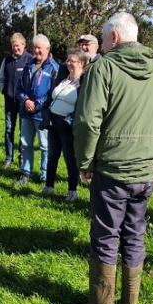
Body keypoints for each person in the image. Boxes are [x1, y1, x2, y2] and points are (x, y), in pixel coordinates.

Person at [72, 11, 153, 304]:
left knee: (106, 235)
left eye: (104, 38)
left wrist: (85, 161)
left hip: (112, 170)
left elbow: (87, 121)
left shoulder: (103, 68)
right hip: (147, 172)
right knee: (134, 234)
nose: (103, 43)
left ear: (114, 36)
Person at [42, 48, 88, 202]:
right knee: (52, 156)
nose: (69, 63)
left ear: (81, 63)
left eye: (72, 61)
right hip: (53, 123)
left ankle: (72, 191)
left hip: (68, 127)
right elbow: (50, 95)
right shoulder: (62, 78)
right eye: (68, 60)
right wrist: (47, 112)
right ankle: (48, 186)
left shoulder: (84, 82)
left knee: (70, 159)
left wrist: (70, 120)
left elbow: (83, 105)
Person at [15, 34, 59, 186]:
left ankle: (45, 175)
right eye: (35, 47)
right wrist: (25, 100)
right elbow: (19, 87)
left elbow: (54, 92)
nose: (36, 51)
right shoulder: (28, 66)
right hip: (26, 113)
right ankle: (26, 172)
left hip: (43, 115)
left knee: (45, 146)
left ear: (47, 49)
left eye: (39, 48)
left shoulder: (54, 68)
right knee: (25, 143)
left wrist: (37, 105)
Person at [0, 33, 33, 169]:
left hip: (24, 102)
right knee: (9, 129)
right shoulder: (6, 60)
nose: (15, 48)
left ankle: (22, 157)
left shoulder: (30, 59)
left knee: (23, 130)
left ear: (24, 45)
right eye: (13, 46)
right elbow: (1, 78)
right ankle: (8, 158)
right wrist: (4, 90)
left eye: (18, 46)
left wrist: (28, 98)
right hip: (9, 101)